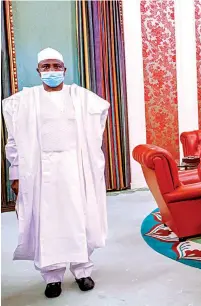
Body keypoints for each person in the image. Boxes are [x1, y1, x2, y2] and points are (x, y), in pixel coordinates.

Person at [2, 47, 110, 298]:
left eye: (56, 66)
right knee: (47, 223)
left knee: (79, 218)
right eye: (46, 67)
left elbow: (100, 113)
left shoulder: (80, 97)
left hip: (75, 169)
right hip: (40, 173)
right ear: (38, 71)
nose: (52, 71)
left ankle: (83, 271)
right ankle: (52, 276)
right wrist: (16, 173)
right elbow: (14, 141)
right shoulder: (24, 101)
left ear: (65, 69)